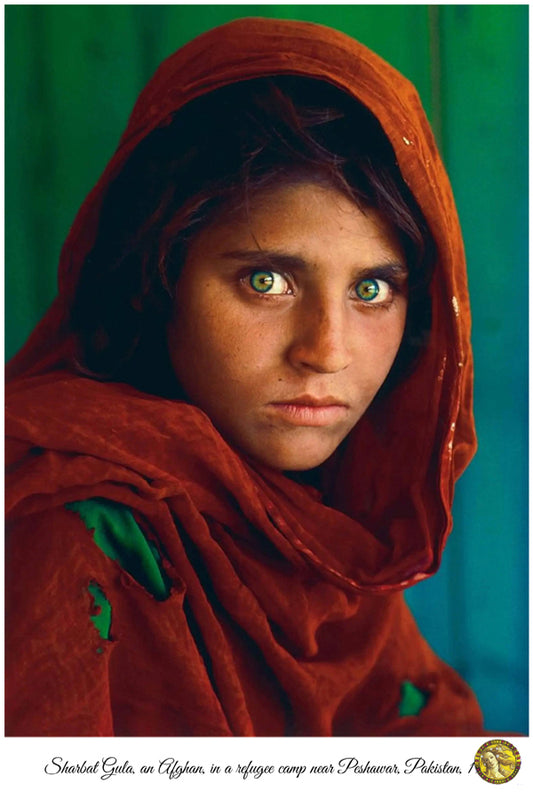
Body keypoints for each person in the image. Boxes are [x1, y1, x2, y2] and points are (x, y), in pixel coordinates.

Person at [5, 17, 483, 736]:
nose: (326, 351)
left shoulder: (324, 530)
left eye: (372, 290)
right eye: (266, 280)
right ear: (157, 274)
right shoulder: (66, 526)